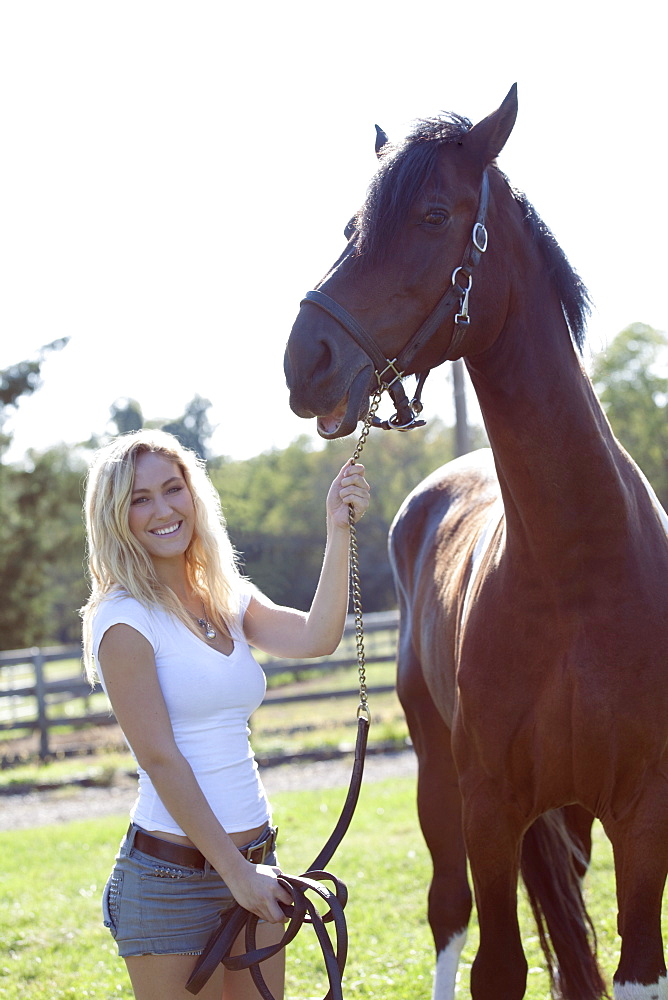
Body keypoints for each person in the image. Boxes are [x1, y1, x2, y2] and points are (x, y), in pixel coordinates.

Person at [80, 428, 370, 1000]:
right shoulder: (121, 620)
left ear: (194, 494)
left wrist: (337, 527)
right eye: (140, 499)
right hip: (172, 879)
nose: (163, 509)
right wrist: (235, 875)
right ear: (116, 516)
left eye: (173, 489)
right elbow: (162, 760)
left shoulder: (225, 593)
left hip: (258, 858)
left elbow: (316, 636)